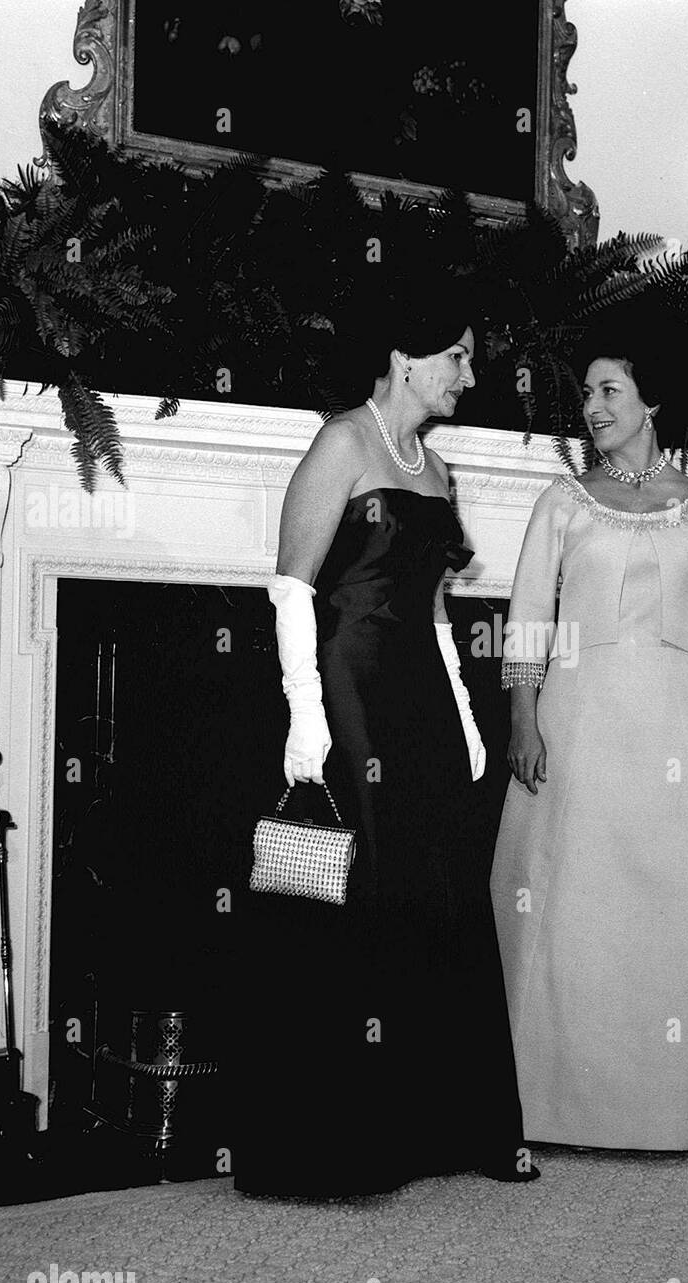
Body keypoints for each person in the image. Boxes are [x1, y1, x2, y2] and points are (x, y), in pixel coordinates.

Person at [234, 278, 538, 1198]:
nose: (471, 374)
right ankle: (346, 1139)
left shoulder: (437, 470)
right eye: (460, 355)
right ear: (408, 358)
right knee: (365, 883)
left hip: (419, 692)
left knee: (443, 884)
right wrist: (304, 715)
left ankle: (447, 1124)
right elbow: (290, 586)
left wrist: (467, 716)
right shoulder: (342, 442)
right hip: (349, 682)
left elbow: (438, 611)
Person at [490, 323, 688, 1151]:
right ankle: (552, 1106)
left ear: (652, 400)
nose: (592, 406)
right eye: (586, 392)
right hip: (576, 724)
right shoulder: (563, 501)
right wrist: (522, 718)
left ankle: (680, 1110)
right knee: (574, 906)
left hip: (673, 730)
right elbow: (528, 618)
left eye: (608, 390)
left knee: (670, 909)